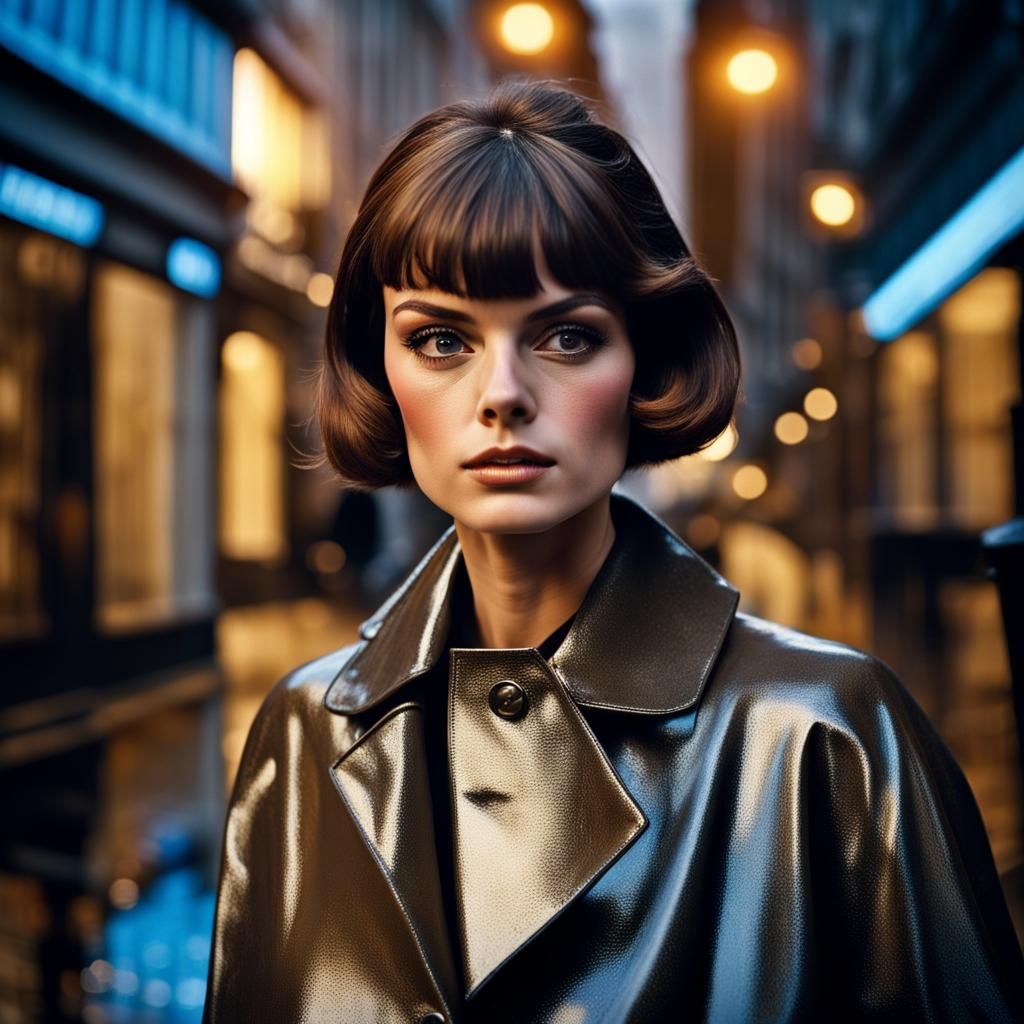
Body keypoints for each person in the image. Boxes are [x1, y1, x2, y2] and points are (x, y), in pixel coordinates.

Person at [201, 79, 1024, 1023]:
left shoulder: (823, 738)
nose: (502, 393)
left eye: (565, 335)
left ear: (644, 361)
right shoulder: (303, 734)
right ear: (377, 368)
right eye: (439, 339)